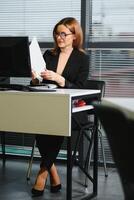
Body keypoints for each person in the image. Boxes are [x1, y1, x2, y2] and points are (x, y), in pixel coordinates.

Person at [31, 17, 89, 197]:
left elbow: (81, 88)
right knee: (36, 122)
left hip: (73, 110)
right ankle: (53, 173)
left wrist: (60, 79)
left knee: (55, 124)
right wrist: (35, 79)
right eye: (57, 33)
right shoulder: (49, 55)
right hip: (48, 106)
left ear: (74, 36)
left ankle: (42, 174)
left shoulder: (82, 59)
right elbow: (38, 84)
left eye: (64, 33)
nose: (59, 37)